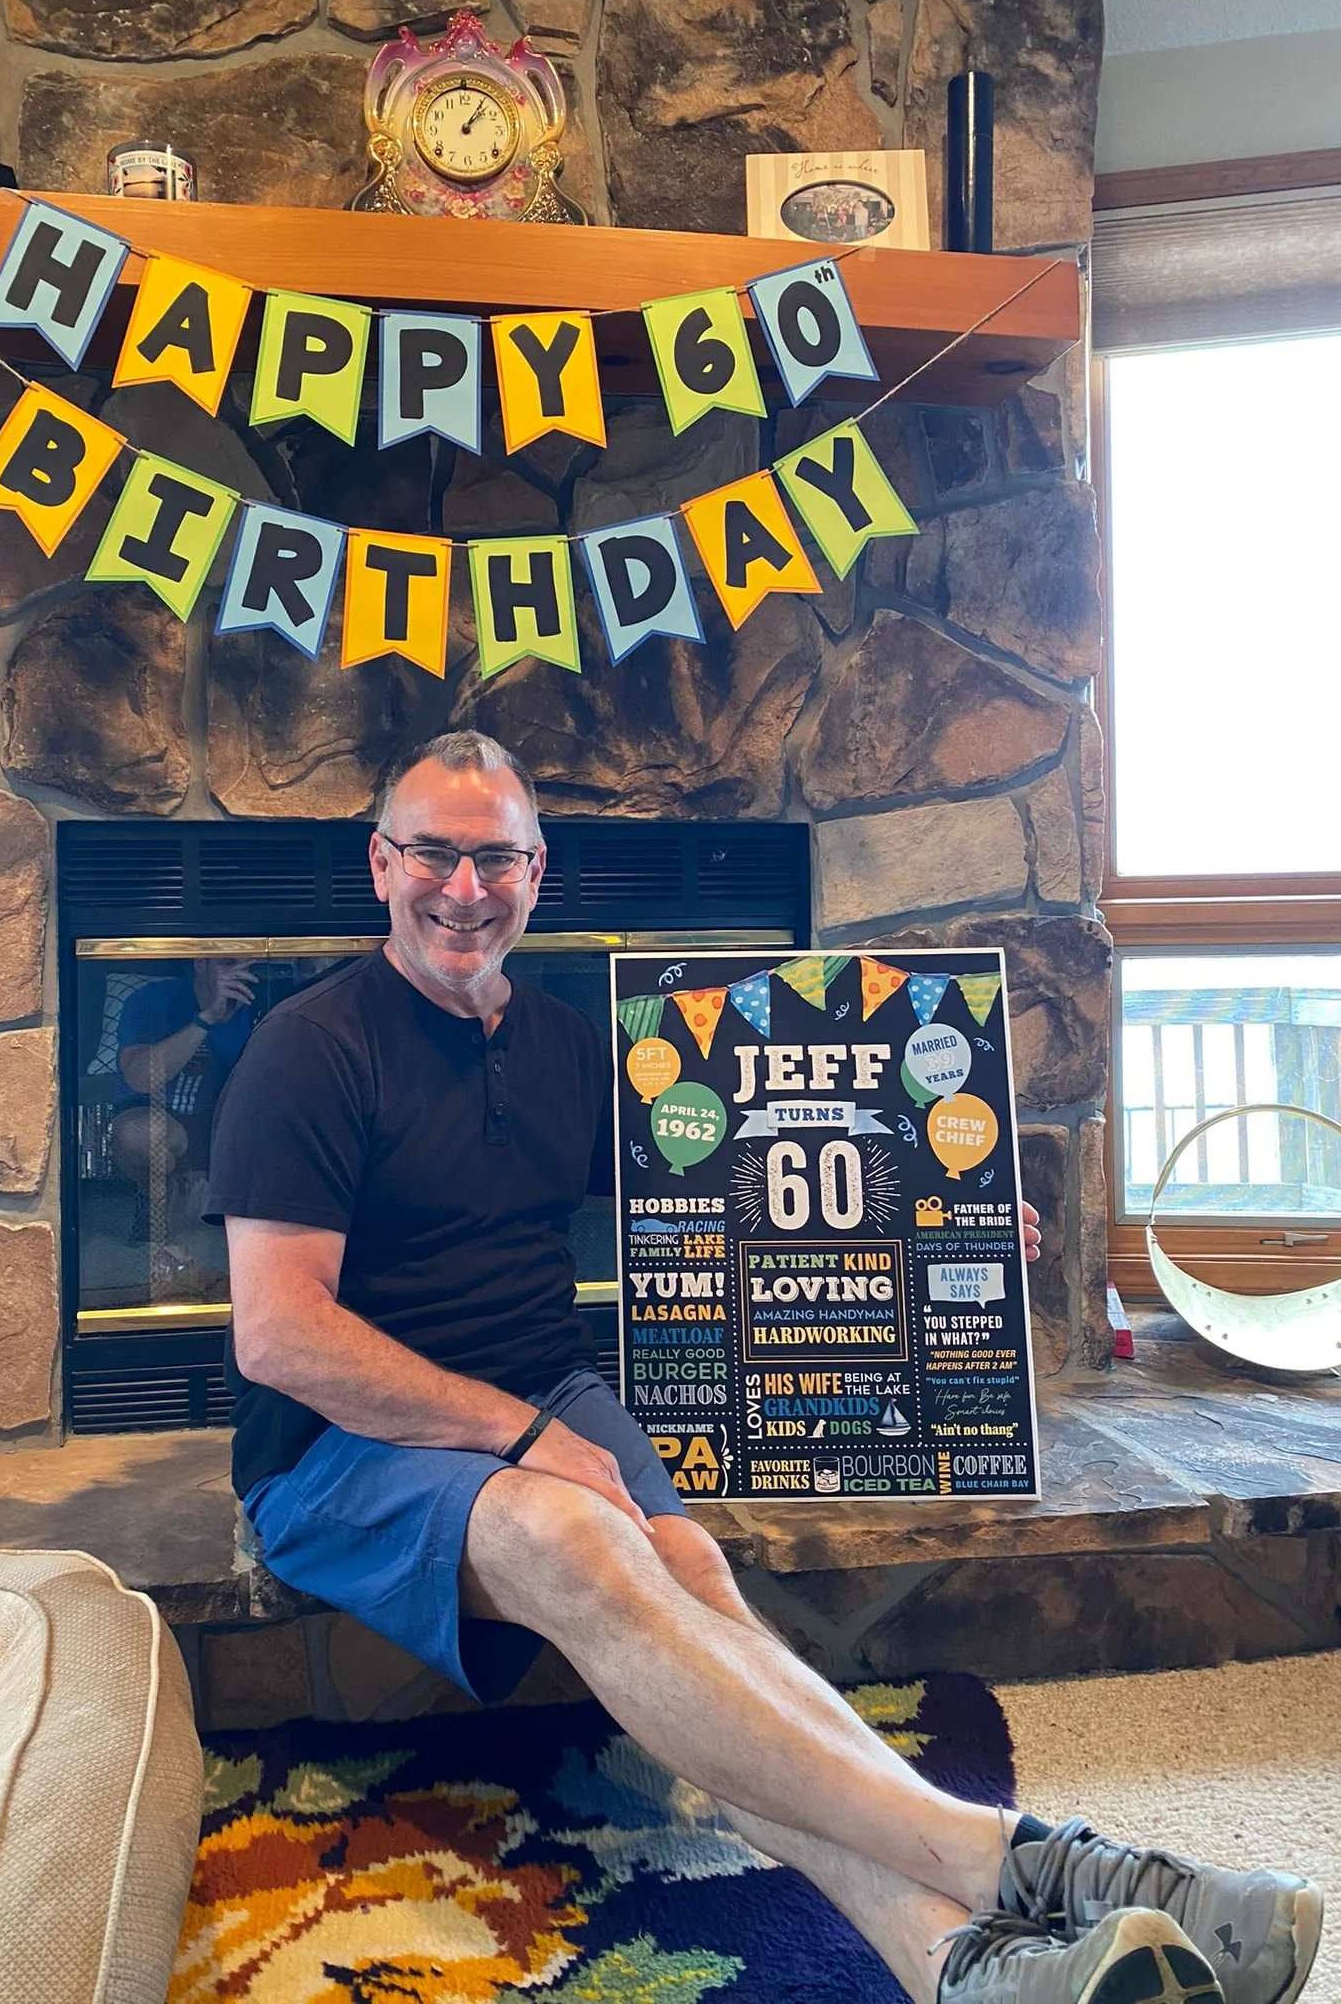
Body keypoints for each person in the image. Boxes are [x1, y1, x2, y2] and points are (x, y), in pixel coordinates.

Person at [207, 731, 1320, 2004]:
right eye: (435, 854)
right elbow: (280, 1335)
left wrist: (928, 1222)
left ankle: (953, 1961)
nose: (464, 889)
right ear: (380, 863)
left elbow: (740, 1191)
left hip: (542, 1394)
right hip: (337, 1446)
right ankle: (1025, 1858)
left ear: (538, 871)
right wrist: (521, 1438)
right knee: (584, 1544)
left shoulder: (575, 1044)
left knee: (693, 1585)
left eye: (496, 857)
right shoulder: (310, 1046)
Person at [113, 957, 255, 1263]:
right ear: (201, 963)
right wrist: (207, 1018)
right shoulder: (152, 1000)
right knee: (142, 1136)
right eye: (228, 963)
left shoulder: (261, 1000)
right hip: (156, 1111)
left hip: (225, 1119)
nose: (241, 973)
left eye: (250, 964)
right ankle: (158, 1196)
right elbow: (139, 1077)